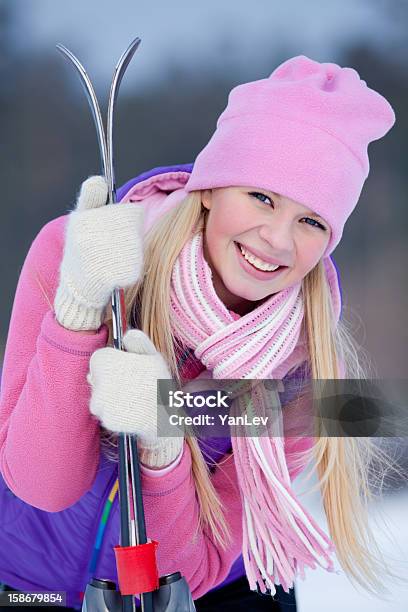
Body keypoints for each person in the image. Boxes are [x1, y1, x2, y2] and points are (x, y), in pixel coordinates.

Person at [0, 55, 397, 611]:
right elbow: (42, 484)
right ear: (210, 187)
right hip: (30, 584)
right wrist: (80, 308)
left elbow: (192, 570)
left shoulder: (303, 368)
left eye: (312, 221)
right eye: (262, 196)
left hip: (209, 592)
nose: (278, 240)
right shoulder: (79, 253)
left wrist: (163, 444)